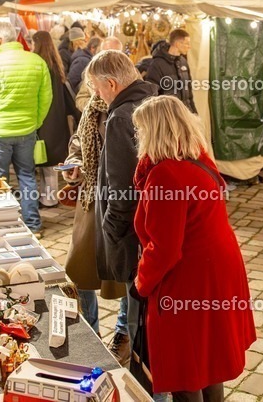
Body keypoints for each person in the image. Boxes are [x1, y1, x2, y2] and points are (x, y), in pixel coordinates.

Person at [129, 96, 256, 401]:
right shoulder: (198, 159)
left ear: (154, 131)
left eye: (141, 130)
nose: (138, 137)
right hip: (217, 270)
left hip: (190, 279)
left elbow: (165, 248)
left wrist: (141, 283)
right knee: (209, 359)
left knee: (184, 366)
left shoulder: (165, 175)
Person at [84, 51, 157, 368]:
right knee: (143, 314)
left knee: (137, 317)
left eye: (97, 89)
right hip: (149, 227)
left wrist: (110, 230)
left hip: (131, 233)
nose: (97, 96)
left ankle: (141, 383)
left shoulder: (119, 118)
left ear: (111, 83)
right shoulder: (152, 103)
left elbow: (123, 187)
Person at [60, 76, 127, 346]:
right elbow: (78, 143)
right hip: (90, 201)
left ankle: (123, 334)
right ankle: (91, 334)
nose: (91, 91)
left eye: (95, 85)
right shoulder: (92, 109)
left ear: (111, 82)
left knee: (124, 277)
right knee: (79, 270)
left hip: (119, 201)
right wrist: (74, 164)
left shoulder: (131, 110)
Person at [0, 21, 52, 236]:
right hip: (27, 130)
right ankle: (33, 225)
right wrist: (35, 122)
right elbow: (46, 98)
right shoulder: (36, 62)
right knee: (27, 177)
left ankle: (2, 225)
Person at [32, 31, 81, 207]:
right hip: (58, 120)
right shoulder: (56, 65)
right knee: (51, 161)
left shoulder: (38, 67)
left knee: (45, 160)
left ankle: (49, 198)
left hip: (44, 119)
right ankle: (49, 196)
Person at [144, 29, 196, 114]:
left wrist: (194, 114)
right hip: (169, 116)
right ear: (177, 44)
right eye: (187, 43)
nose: (189, 46)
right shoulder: (157, 64)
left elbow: (189, 94)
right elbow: (151, 96)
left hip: (185, 115)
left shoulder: (183, 61)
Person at [75, 37, 123, 111]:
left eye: (115, 53)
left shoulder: (129, 71)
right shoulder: (92, 72)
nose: (110, 58)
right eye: (106, 53)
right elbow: (80, 98)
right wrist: (96, 107)